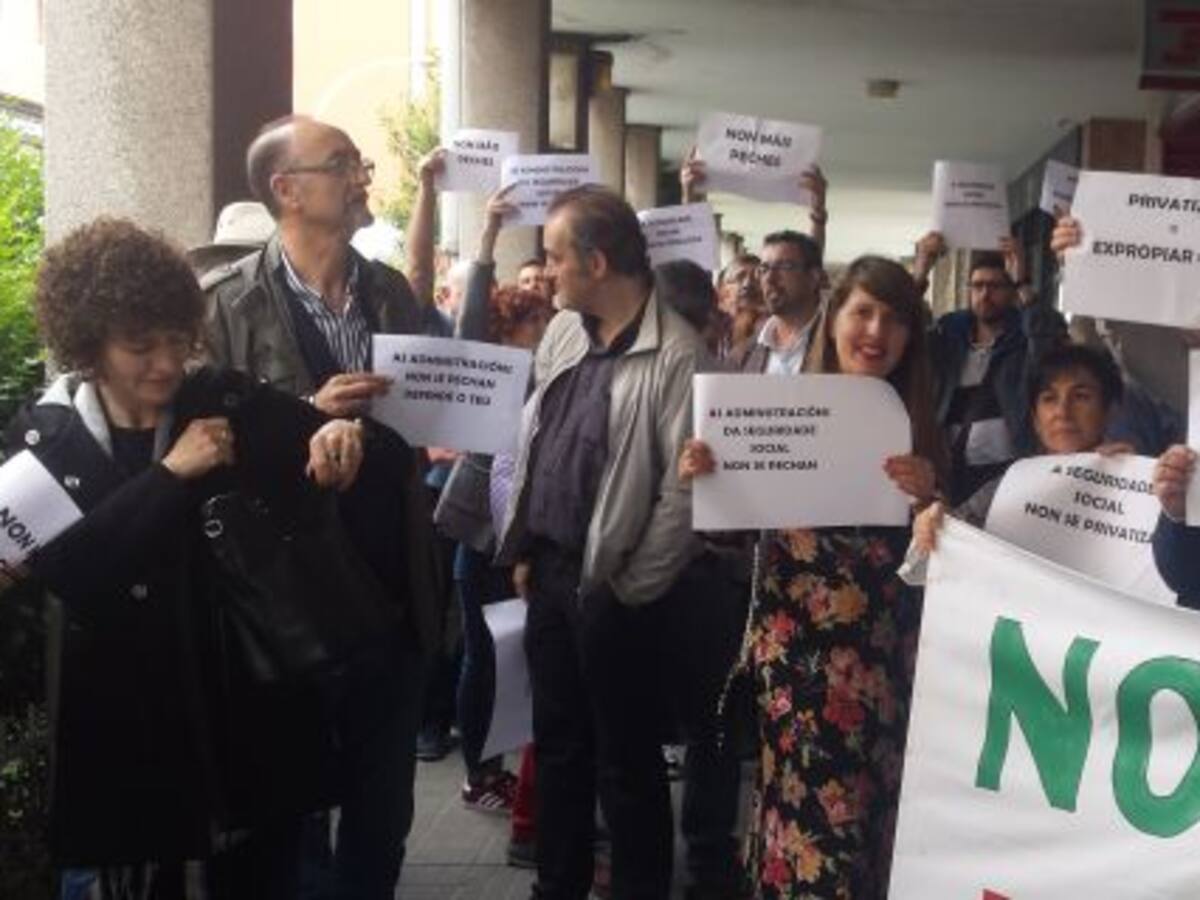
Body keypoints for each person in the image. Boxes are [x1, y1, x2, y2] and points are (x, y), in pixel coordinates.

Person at [6, 217, 373, 897]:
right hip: (121, 740)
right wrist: (171, 475)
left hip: (247, 723)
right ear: (89, 345)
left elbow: (317, 440)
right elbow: (71, 574)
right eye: (141, 347)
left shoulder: (224, 399)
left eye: (179, 341)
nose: (167, 365)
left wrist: (339, 437)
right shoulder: (45, 439)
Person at [203, 113, 441, 900]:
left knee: (382, 810)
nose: (361, 175)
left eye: (358, 162)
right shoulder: (224, 307)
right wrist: (309, 413)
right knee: (293, 810)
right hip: (288, 604)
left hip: (391, 587)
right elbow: (206, 453)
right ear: (287, 191)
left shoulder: (390, 292)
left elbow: (422, 425)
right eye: (341, 163)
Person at [681, 255, 942, 899]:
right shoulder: (784, 410)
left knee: (863, 839)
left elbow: (949, 567)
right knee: (797, 835)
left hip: (882, 681)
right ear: (834, 322)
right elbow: (729, 535)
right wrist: (709, 477)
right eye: (863, 312)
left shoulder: (924, 434)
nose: (876, 330)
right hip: (792, 680)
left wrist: (932, 500)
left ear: (910, 336)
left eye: (894, 317)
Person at [496, 184, 704, 900]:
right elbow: (538, 445)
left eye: (555, 257)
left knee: (627, 762)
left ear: (597, 259)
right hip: (552, 574)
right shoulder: (562, 331)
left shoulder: (678, 354)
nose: (545, 272)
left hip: (618, 590)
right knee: (557, 749)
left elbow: (682, 493)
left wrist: (629, 590)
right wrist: (524, 549)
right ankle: (558, 888)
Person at [913, 342, 1130, 552]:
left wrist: (1135, 488)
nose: (1062, 412)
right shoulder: (1012, 483)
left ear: (1109, 411)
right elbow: (951, 537)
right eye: (1049, 398)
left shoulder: (1134, 486)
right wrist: (934, 522)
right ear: (1035, 419)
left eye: (1080, 396)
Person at [914, 231, 1067, 504]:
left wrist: (1023, 282)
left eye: (995, 286)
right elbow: (905, 332)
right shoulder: (949, 333)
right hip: (949, 471)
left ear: (1010, 292)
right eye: (978, 286)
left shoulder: (1025, 335)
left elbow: (1052, 343)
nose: (985, 294)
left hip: (1009, 472)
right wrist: (921, 271)